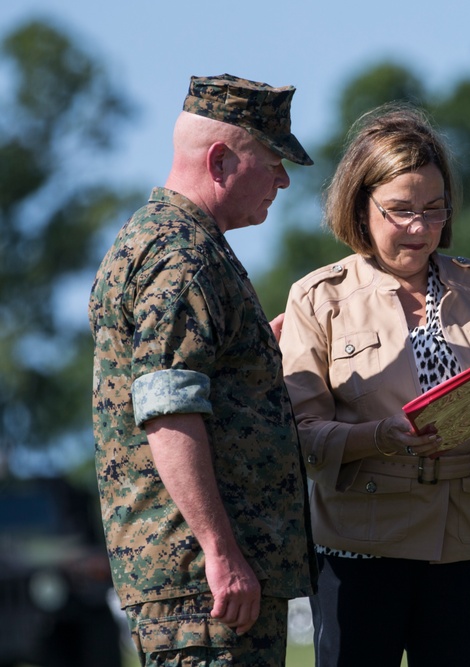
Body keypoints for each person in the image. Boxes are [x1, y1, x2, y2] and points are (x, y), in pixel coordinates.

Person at [278, 103, 470, 667]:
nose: (419, 228)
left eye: (433, 210)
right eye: (400, 210)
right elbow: (301, 435)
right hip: (360, 546)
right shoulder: (317, 297)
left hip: (467, 546)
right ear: (361, 205)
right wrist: (382, 435)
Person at [89, 74, 316, 666]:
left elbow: (188, 377)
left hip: (197, 587)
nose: (284, 180)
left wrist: (256, 351)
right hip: (205, 592)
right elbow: (169, 411)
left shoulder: (169, 240)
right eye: (272, 161)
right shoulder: (181, 256)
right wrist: (221, 553)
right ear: (220, 160)